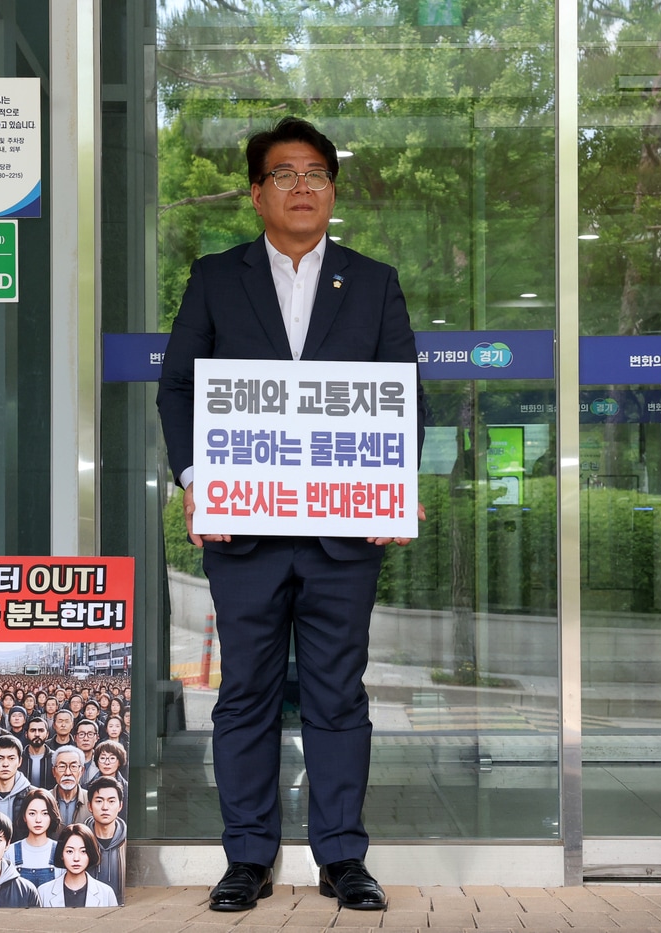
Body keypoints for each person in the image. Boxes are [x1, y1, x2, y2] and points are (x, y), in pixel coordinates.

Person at [156, 115, 421, 911]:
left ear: (332, 192)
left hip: (346, 533)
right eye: (285, 175)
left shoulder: (373, 281)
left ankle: (343, 856)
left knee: (339, 693)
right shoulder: (215, 277)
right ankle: (248, 857)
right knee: (246, 692)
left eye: (316, 175)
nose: (302, 188)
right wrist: (200, 480)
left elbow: (403, 395)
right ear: (256, 193)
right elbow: (178, 388)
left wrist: (391, 490)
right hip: (246, 532)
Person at [37, 823, 119, 908]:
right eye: (70, 851)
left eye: (83, 851)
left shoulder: (106, 893)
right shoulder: (43, 892)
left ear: (90, 854)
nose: (76, 858)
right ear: (61, 854)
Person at [84, 776, 127, 903]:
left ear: (120, 806)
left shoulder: (126, 841)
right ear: (90, 806)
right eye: (99, 801)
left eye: (111, 801)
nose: (105, 807)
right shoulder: (80, 840)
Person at [9, 787, 62, 887]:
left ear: (51, 816)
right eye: (32, 813)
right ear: (24, 817)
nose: (38, 819)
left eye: (45, 813)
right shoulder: (10, 852)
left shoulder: (61, 852)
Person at [51, 745, 93, 827]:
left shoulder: (91, 800)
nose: (67, 773)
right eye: (62, 767)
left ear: (82, 771)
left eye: (73, 766)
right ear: (54, 772)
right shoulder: (45, 800)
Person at [20, 716, 56, 790]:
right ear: (26, 734)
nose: (37, 734)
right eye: (33, 730)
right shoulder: (18, 758)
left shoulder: (56, 758)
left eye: (41, 730)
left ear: (47, 734)